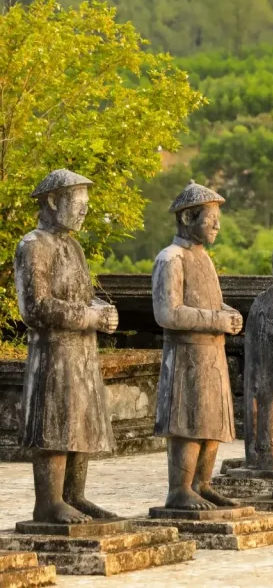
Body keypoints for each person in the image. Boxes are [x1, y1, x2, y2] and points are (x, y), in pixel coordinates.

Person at [15, 169, 119, 523]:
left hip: (81, 350)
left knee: (80, 419)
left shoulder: (72, 247)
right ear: (54, 201)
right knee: (56, 419)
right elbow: (36, 307)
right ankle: (49, 500)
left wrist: (102, 312)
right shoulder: (33, 245)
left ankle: (74, 495)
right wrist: (89, 317)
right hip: (54, 351)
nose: (84, 210)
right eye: (79, 202)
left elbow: (86, 296)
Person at [152, 181, 243, 510]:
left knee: (211, 422)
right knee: (188, 422)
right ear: (188, 217)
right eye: (210, 217)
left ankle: (202, 484)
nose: (217, 224)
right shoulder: (171, 258)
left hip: (212, 353)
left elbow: (213, 304)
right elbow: (167, 312)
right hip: (187, 354)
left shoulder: (203, 259)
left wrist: (227, 314)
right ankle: (180, 488)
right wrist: (216, 320)